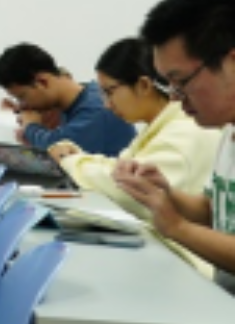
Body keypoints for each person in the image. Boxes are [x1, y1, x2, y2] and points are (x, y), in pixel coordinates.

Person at [116, 0, 235, 324]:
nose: (177, 99)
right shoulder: (228, 130)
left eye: (182, 82)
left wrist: (176, 227)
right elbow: (218, 209)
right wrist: (167, 194)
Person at [48, 37, 220, 221]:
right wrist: (80, 157)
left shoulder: (182, 133)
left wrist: (70, 161)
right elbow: (121, 170)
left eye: (110, 92)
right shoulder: (162, 126)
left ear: (143, 85)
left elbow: (129, 192)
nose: (107, 105)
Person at [0, 44, 137, 156]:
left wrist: (31, 127)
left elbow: (57, 150)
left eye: (22, 97)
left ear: (43, 82)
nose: (22, 106)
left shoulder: (97, 109)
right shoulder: (74, 103)